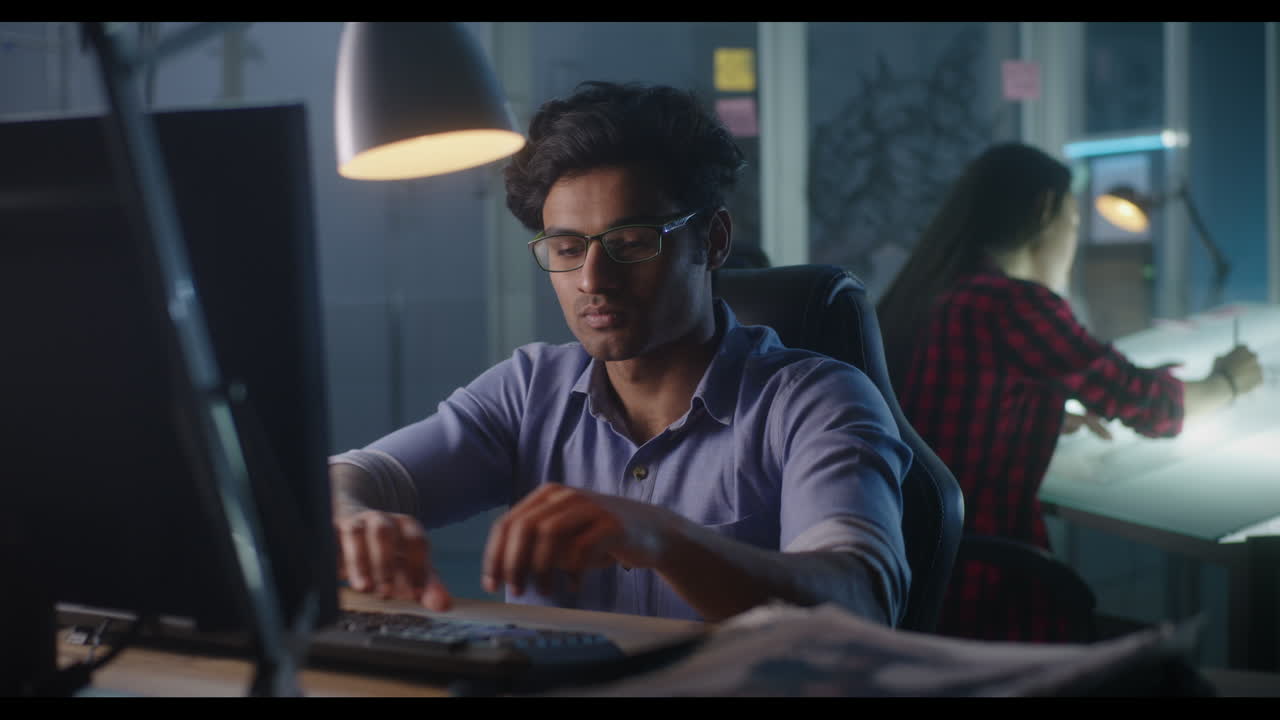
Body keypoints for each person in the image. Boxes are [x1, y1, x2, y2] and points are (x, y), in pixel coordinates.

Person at [328, 81, 914, 626]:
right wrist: (355, 521)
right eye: (565, 246)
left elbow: (861, 597)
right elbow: (351, 478)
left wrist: (664, 538)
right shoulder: (530, 390)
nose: (591, 279)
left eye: (629, 243)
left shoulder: (816, 401)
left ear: (712, 241)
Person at [875, 141, 1263, 642]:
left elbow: (949, 398)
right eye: (1074, 224)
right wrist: (1228, 381)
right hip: (983, 592)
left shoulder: (941, 290)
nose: (1075, 241)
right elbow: (1149, 406)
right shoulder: (1011, 303)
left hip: (916, 573)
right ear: (1043, 214)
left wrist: (1044, 414)